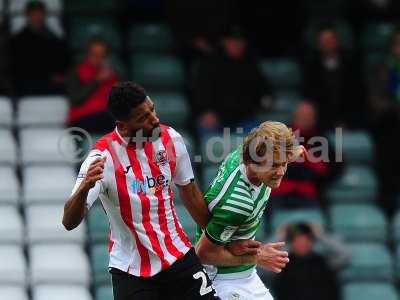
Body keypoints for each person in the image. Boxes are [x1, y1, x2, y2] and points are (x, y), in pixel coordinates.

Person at [62, 81, 223, 300]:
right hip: (132, 271)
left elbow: (190, 192)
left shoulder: (171, 139)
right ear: (123, 125)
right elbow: (68, 222)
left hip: (178, 257)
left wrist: (220, 243)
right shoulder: (101, 158)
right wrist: (84, 189)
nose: (154, 119)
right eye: (143, 118)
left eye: (152, 110)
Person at [195, 121, 306, 300]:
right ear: (251, 162)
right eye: (273, 165)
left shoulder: (248, 154)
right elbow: (203, 254)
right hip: (222, 281)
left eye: (284, 163)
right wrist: (258, 257)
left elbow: (270, 150)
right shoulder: (238, 204)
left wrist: (292, 153)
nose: (280, 172)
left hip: (245, 276)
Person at [192, 27, 271, 135]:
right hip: (217, 119)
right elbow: (200, 93)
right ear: (224, 42)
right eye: (232, 41)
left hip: (245, 119)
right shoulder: (210, 64)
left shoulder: (251, 65)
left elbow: (264, 91)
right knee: (204, 124)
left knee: (262, 133)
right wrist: (206, 111)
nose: (236, 45)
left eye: (240, 41)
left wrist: (265, 100)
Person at [302, 24, 365, 131]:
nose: (327, 43)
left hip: (351, 120)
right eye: (323, 40)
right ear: (318, 44)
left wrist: (346, 122)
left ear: (337, 41)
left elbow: (358, 96)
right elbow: (310, 98)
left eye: (330, 39)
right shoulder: (311, 68)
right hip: (321, 123)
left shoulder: (352, 65)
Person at [271, 101, 332, 207]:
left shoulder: (322, 140)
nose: (305, 118)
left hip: (311, 193)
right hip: (280, 193)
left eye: (308, 116)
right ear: (294, 116)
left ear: (314, 119)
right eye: (301, 115)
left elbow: (330, 169)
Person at [10, 0, 68, 95]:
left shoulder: (55, 40)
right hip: (25, 90)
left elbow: (63, 66)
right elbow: (16, 70)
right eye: (33, 14)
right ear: (27, 16)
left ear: (44, 15)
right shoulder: (16, 41)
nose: (37, 17)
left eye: (40, 14)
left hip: (51, 90)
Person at [272, 223, 341, 300]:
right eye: (298, 241)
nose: (302, 244)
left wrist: (320, 235)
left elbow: (344, 254)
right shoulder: (282, 262)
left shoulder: (323, 261)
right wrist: (280, 236)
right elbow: (261, 263)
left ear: (311, 242)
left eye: (305, 241)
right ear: (291, 243)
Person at [66, 39, 119, 135]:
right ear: (87, 54)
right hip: (82, 119)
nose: (98, 58)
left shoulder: (112, 76)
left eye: (102, 56)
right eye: (94, 54)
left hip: (106, 118)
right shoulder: (77, 71)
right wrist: (97, 81)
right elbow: (75, 99)